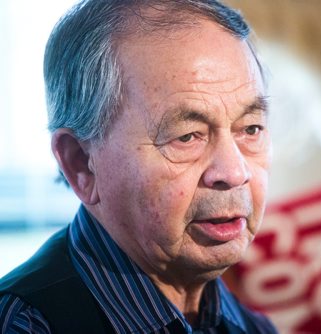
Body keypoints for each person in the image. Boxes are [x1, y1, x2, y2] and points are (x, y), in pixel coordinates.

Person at [0, 0, 276, 333]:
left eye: (250, 129)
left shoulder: (254, 326)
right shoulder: (25, 324)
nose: (235, 173)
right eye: (187, 136)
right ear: (81, 164)